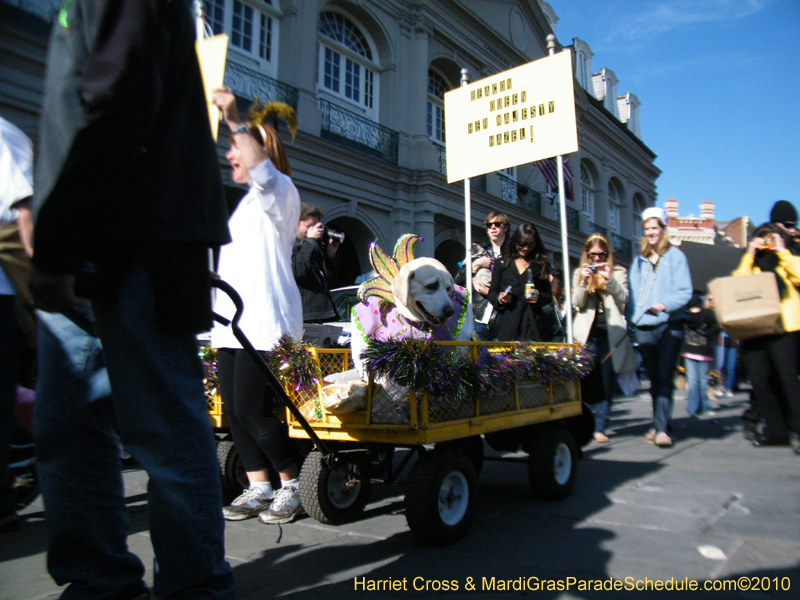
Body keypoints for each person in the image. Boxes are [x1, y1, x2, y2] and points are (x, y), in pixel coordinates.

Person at [28, 2, 236, 598]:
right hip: (100, 236)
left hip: (140, 238)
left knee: (164, 432)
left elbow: (117, 102)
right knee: (68, 430)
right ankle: (98, 583)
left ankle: (194, 587)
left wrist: (56, 240)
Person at [211, 88, 305, 525]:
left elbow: (264, 174)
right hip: (231, 325)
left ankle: (290, 485)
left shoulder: (280, 192)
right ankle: (258, 486)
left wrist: (234, 119)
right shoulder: (243, 206)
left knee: (251, 409)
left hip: (265, 324)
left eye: (237, 149)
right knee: (233, 412)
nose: (231, 155)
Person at [627, 207, 692, 448]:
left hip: (670, 324)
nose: (651, 232)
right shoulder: (638, 260)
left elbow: (685, 291)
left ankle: (662, 429)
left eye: (655, 228)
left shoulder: (675, 256)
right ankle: (660, 422)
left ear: (663, 230)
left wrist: (665, 305)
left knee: (665, 375)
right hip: (644, 327)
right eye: (647, 229)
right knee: (654, 378)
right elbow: (632, 296)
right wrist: (631, 319)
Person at [733, 222, 800, 449]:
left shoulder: (787, 259)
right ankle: (776, 433)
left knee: (789, 381)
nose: (767, 243)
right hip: (755, 329)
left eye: (772, 238)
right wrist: (749, 254)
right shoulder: (752, 263)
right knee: (760, 381)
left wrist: (782, 251)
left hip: (785, 326)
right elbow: (737, 284)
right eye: (763, 238)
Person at [0, 116, 33, 534]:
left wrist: (44, 275)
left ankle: (17, 477)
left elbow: (23, 207)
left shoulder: (4, 134)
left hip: (6, 291)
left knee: (8, 396)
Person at [572, 234, 636, 443]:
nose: (597, 259)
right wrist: (583, 281)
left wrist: (609, 279)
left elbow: (624, 298)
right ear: (587, 255)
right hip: (587, 334)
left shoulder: (618, 272)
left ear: (607, 255)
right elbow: (576, 303)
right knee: (588, 382)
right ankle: (587, 424)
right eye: (593, 255)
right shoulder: (580, 272)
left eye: (602, 255)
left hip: (611, 334)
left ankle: (601, 426)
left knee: (606, 383)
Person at [487, 222, 563, 342]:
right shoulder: (502, 263)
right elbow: (492, 293)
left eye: (530, 245)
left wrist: (538, 296)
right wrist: (500, 299)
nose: (526, 248)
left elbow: (548, 296)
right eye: (522, 244)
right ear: (515, 241)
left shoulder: (541, 265)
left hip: (534, 324)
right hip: (509, 324)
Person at [456, 211, 509, 341]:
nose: (493, 227)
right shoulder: (478, 252)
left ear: (505, 227)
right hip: (479, 318)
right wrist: (475, 265)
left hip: (503, 319)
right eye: (489, 225)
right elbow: (458, 281)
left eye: (497, 224)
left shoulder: (512, 254)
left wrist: (489, 292)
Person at [292, 202, 340, 323]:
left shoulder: (313, 247)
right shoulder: (288, 246)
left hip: (321, 314)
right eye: (309, 226)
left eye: (316, 226)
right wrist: (311, 241)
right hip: (303, 316)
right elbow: (298, 271)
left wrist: (330, 256)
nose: (314, 230)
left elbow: (329, 281)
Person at [680, 292, 721, 417]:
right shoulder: (709, 315)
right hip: (704, 351)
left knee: (692, 381)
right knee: (703, 381)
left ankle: (692, 409)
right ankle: (705, 407)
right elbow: (716, 330)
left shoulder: (684, 316)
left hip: (688, 351)